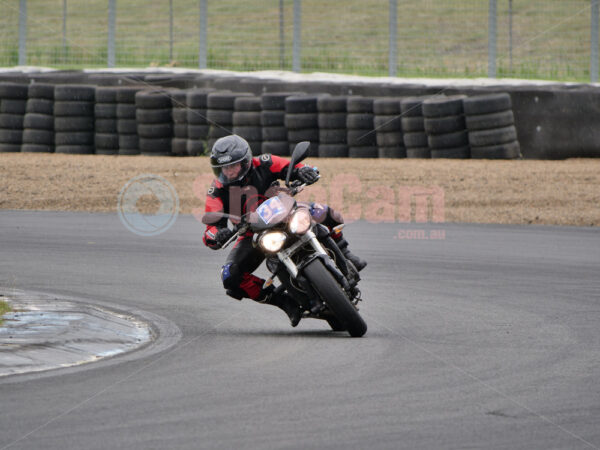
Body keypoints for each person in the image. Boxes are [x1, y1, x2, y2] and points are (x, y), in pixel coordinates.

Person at [202, 135, 366, 327]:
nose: (229, 172)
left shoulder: (264, 162)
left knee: (327, 213)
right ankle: (284, 302)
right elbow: (211, 227)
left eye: (233, 166)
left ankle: (345, 253)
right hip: (253, 233)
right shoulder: (217, 191)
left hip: (286, 211)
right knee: (230, 276)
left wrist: (305, 172)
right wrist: (217, 235)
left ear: (246, 162)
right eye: (224, 168)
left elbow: (292, 168)